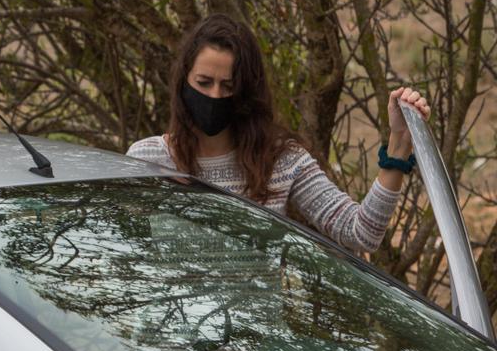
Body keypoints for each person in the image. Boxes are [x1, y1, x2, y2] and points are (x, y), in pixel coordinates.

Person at [128, 14, 431, 254]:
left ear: (246, 90)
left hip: (255, 333)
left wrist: (399, 147)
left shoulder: (280, 161)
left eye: (229, 86)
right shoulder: (146, 159)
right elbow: (121, 256)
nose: (215, 95)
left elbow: (360, 233)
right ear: (184, 81)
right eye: (204, 82)